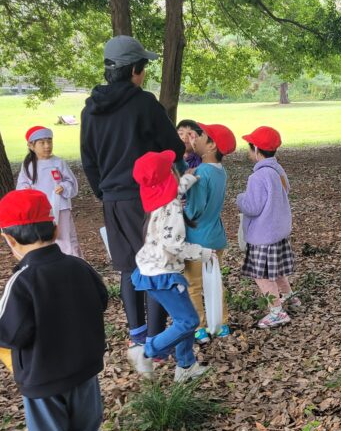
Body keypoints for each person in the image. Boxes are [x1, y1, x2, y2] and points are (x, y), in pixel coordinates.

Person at [0, 189, 116, 431]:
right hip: (85, 368)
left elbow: (6, 332)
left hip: (42, 377)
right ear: (55, 229)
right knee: (88, 424)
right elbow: (101, 300)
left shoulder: (22, 280)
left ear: (9, 239)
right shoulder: (79, 266)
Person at [80, 35, 184, 376]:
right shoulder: (145, 105)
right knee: (153, 266)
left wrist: (104, 192)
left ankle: (137, 337)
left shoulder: (90, 109)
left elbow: (89, 159)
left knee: (128, 268)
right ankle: (156, 342)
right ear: (135, 70)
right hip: (146, 200)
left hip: (112, 200)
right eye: (144, 67)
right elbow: (173, 146)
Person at [126, 150, 215, 382]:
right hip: (163, 273)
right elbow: (173, 244)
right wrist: (203, 253)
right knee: (189, 322)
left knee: (182, 318)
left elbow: (174, 188)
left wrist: (189, 177)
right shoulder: (173, 208)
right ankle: (146, 351)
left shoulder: (159, 197)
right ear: (169, 177)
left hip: (150, 269)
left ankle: (186, 365)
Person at [236, 126, 297, 329]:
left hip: (263, 235)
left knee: (261, 274)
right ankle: (289, 297)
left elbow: (252, 207)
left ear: (256, 149)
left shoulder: (258, 177)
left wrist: (240, 199)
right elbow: (285, 190)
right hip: (278, 232)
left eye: (249, 147)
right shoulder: (278, 171)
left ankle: (276, 311)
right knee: (278, 269)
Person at [182, 122, 235, 343]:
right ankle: (221, 323)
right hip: (216, 235)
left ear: (211, 146)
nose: (193, 138)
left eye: (200, 136)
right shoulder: (221, 171)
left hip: (197, 238)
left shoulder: (201, 172)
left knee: (194, 284)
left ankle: (200, 326)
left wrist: (178, 202)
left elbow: (193, 210)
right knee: (214, 279)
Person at [17, 126, 81, 257]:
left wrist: (63, 186)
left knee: (65, 238)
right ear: (31, 145)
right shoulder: (28, 165)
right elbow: (22, 186)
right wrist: (28, 193)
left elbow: (71, 182)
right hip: (41, 210)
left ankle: (72, 263)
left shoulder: (58, 162)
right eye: (42, 143)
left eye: (49, 141)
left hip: (61, 208)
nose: (47, 146)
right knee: (45, 239)